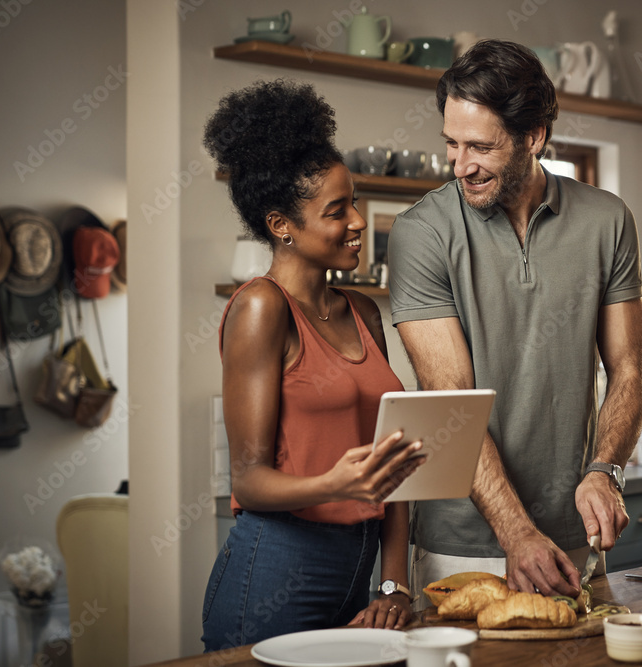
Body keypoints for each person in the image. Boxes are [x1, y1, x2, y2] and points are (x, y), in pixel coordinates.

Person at [388, 40, 642, 603]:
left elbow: (628, 368)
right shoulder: (421, 233)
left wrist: (606, 470)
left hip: (574, 535)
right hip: (460, 541)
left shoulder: (607, 220)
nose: (460, 166)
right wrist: (516, 532)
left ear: (534, 137)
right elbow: (449, 397)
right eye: (451, 145)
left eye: (480, 146)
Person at [200, 79, 423, 651]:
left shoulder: (364, 311)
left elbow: (394, 471)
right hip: (274, 570)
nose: (356, 220)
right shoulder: (259, 308)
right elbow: (247, 481)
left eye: (354, 201)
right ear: (282, 226)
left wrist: (395, 584)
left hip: (360, 574)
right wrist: (336, 482)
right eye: (336, 210)